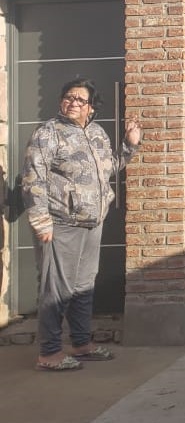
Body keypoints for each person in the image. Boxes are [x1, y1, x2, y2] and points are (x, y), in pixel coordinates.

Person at [22, 77, 142, 371]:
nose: (73, 103)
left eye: (80, 99)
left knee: (84, 286)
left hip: (92, 222)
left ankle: (81, 343)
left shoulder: (98, 133)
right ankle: (49, 353)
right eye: (68, 97)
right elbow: (33, 178)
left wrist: (129, 145)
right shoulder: (48, 133)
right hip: (61, 223)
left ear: (91, 107)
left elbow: (109, 168)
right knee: (56, 289)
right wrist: (41, 221)